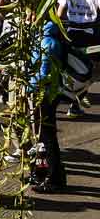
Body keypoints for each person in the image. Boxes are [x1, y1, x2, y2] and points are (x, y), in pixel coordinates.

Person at [29, 23, 68, 193]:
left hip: (45, 94)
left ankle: (54, 178)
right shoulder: (44, 41)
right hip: (43, 93)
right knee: (40, 138)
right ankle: (41, 172)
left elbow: (43, 75)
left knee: (47, 138)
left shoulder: (48, 44)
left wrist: (28, 85)